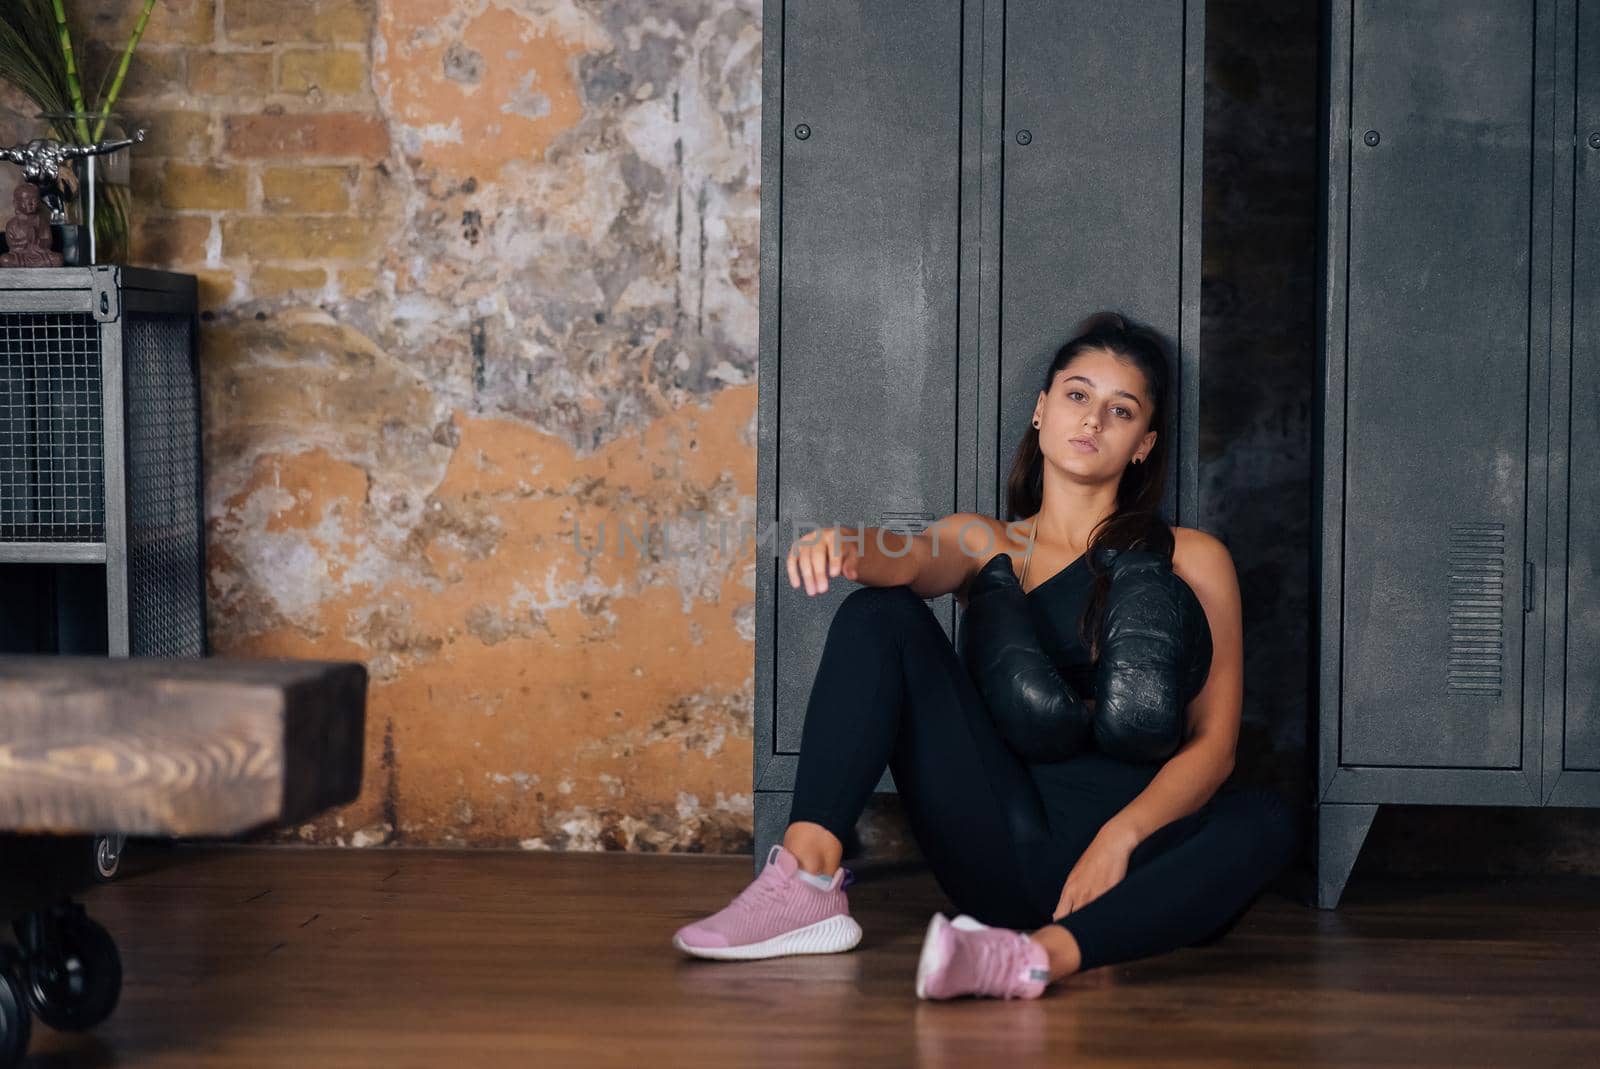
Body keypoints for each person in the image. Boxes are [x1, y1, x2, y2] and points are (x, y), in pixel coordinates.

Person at [672, 311, 1300, 1000]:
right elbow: (914, 558)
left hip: (1139, 863)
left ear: (1144, 442)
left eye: (1120, 410)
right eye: (1076, 394)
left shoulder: (1196, 557)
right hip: (1005, 842)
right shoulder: (985, 540)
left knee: (1266, 819)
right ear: (1041, 409)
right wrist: (851, 544)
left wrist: (1119, 839)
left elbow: (1214, 747)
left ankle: (1030, 957)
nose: (1092, 419)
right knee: (879, 614)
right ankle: (806, 882)